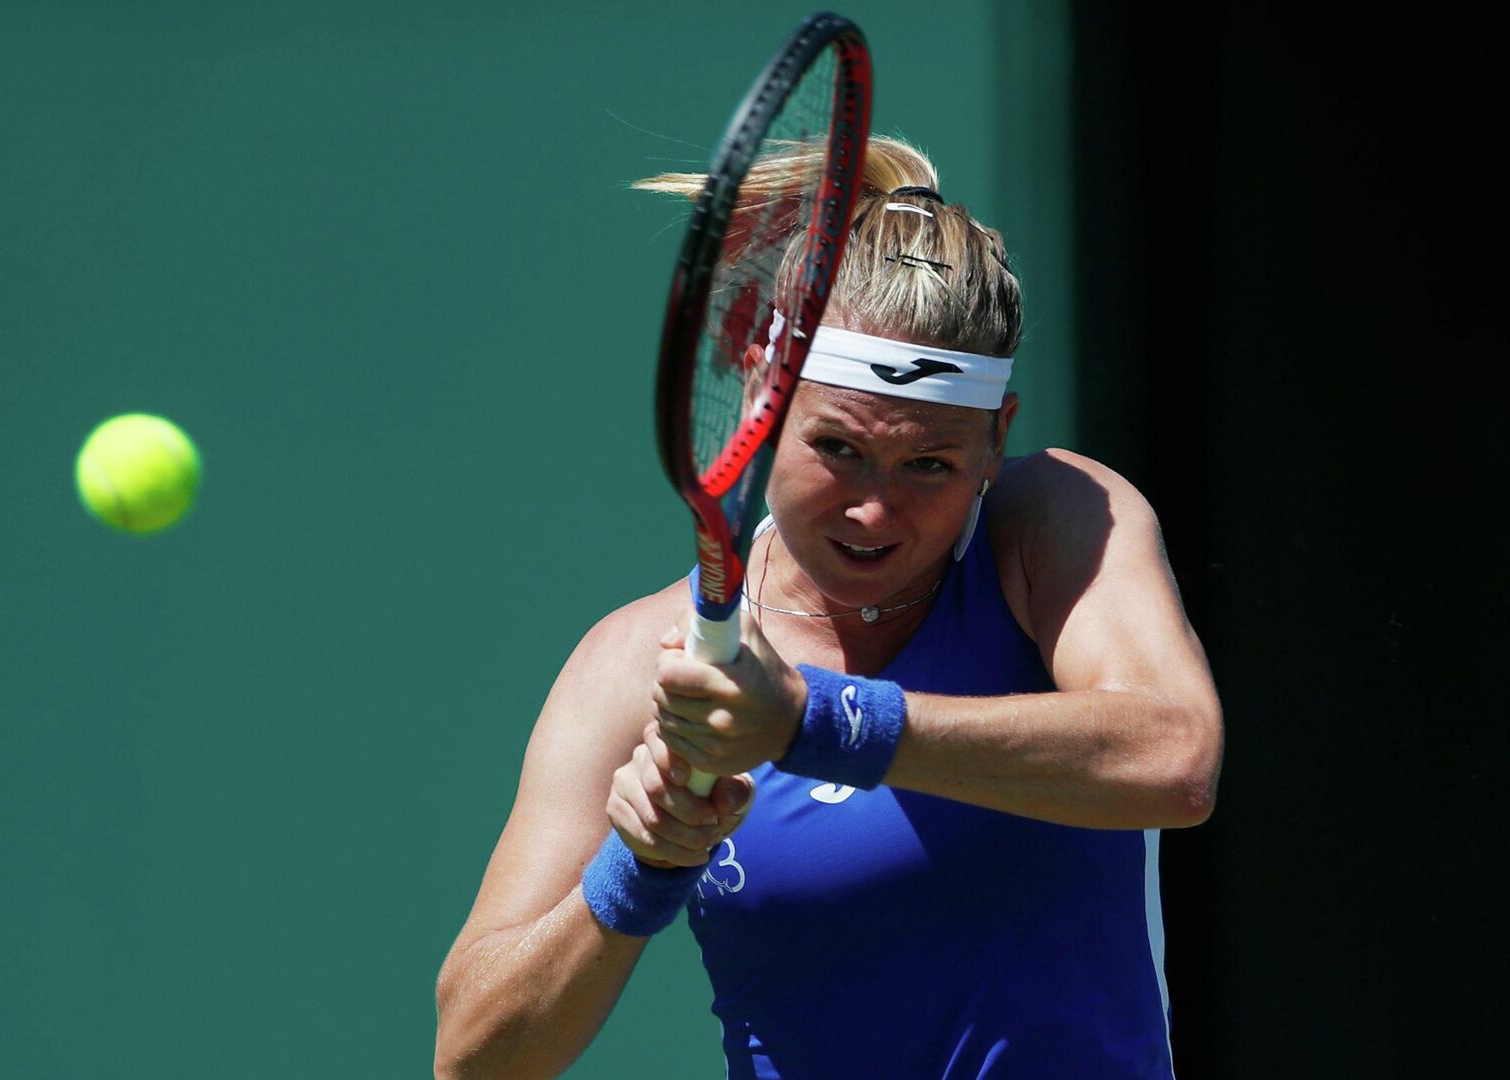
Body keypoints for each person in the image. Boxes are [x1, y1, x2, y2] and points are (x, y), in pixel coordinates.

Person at [434, 136, 1222, 1079]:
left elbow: (1174, 758)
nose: (874, 509)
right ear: (769, 401)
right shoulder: (638, 658)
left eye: (928, 464)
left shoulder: (1047, 523)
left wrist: (815, 722)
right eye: (839, 449)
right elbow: (474, 1055)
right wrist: (639, 866)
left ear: (995, 439)